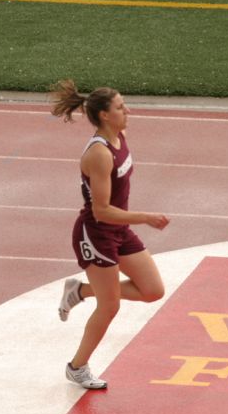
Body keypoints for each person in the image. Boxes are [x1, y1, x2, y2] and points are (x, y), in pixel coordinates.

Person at [50, 80, 170, 390]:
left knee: (153, 290)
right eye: (120, 107)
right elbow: (101, 210)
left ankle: (81, 291)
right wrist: (145, 217)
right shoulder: (99, 155)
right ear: (104, 115)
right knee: (111, 305)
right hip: (97, 234)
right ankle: (77, 367)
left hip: (119, 229)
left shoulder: (120, 137)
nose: (127, 110)